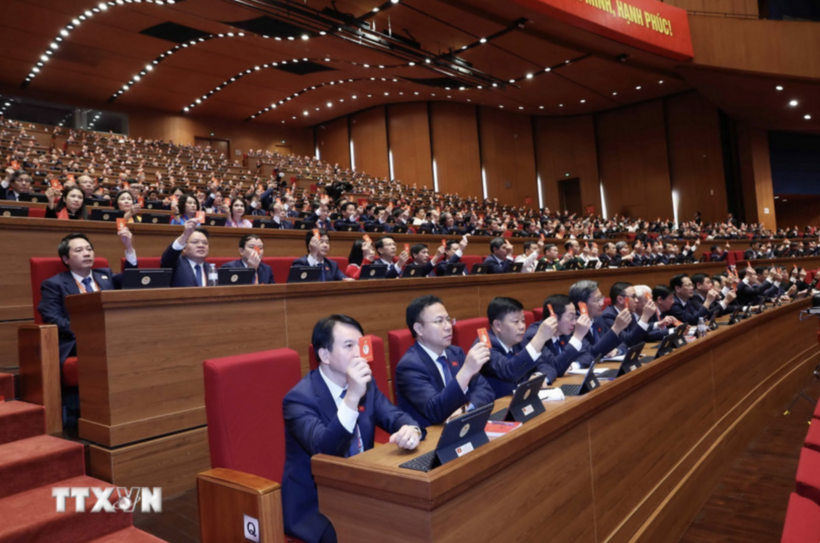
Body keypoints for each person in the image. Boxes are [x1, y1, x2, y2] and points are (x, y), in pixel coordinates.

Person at [282, 315, 423, 543]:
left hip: (362, 488)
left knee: (414, 518)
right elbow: (325, 452)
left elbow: (396, 417)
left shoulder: (367, 385)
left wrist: (411, 430)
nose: (359, 353)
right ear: (325, 355)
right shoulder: (298, 399)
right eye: (349, 346)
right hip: (315, 505)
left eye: (361, 344)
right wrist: (352, 397)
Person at [38, 230, 138, 363]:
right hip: (77, 340)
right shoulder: (54, 284)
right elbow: (54, 318)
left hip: (112, 335)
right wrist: (88, 332)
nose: (86, 253)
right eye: (79, 250)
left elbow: (132, 279)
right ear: (66, 259)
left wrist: (129, 248)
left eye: (89, 249)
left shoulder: (105, 276)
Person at [395, 295, 495, 427]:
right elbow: (435, 411)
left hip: (464, 427)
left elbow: (485, 390)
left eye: (448, 319)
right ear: (419, 329)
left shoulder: (455, 353)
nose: (448, 326)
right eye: (439, 321)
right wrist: (466, 371)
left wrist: (467, 408)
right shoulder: (409, 366)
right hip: (431, 439)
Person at [479, 297, 558, 398]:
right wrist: (540, 338)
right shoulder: (485, 346)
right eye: (516, 322)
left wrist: (537, 377)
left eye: (523, 320)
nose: (522, 326)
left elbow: (547, 367)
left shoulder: (520, 340)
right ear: (498, 325)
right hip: (501, 406)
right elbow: (509, 371)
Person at [523, 294, 593, 383]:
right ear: (554, 317)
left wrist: (573, 365)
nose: (574, 322)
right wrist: (578, 337)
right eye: (571, 317)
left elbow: (588, 355)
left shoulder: (565, 331)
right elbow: (555, 367)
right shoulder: (535, 336)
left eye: (575, 317)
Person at [160, 220, 212, 287]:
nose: (201, 245)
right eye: (195, 242)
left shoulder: (210, 268)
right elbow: (168, 257)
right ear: (184, 248)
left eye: (205, 243)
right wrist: (185, 235)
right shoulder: (176, 264)